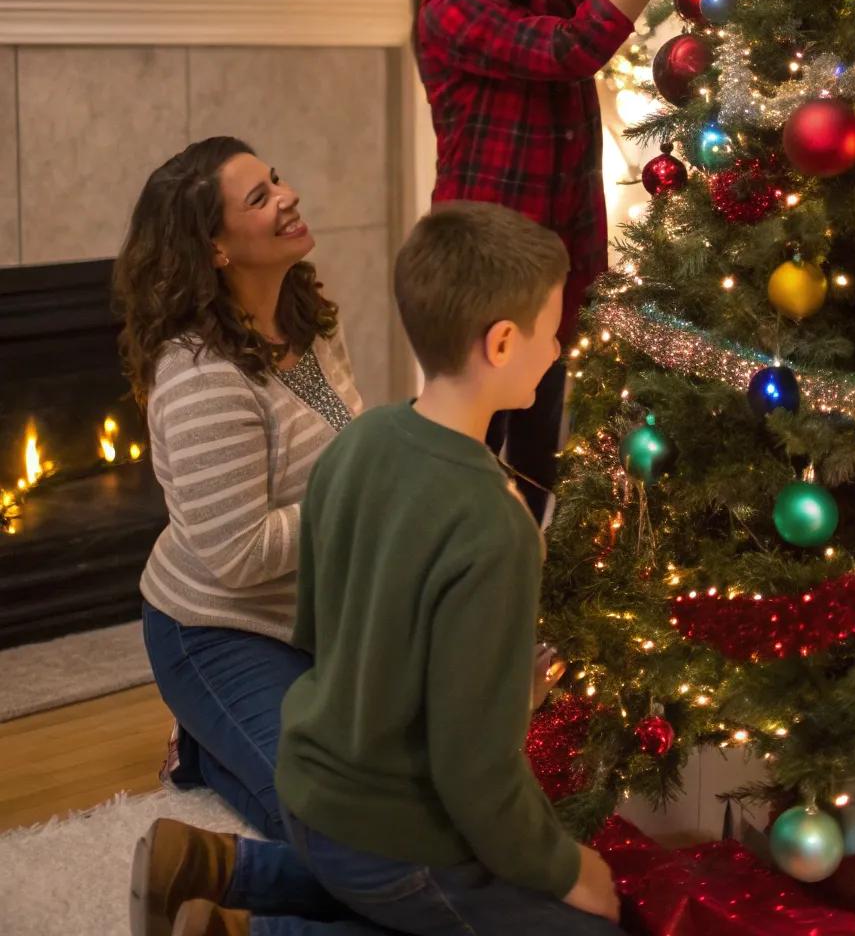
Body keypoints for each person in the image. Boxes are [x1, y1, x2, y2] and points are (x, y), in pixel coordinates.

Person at [129, 201, 622, 936]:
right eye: (554, 332)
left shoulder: (361, 443)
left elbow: (316, 624)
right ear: (503, 342)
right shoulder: (496, 528)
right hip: (388, 834)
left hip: (308, 783)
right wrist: (562, 866)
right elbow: (475, 778)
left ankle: (221, 869)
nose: (559, 350)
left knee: (398, 879)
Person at [409, 0, 767, 523]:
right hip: (481, 289)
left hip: (555, 285)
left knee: (538, 466)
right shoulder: (451, 11)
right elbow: (574, 48)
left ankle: (527, 613)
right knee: (470, 479)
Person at [115, 137, 362, 850]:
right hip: (219, 630)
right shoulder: (199, 374)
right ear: (216, 249)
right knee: (334, 823)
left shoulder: (310, 317)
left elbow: (343, 449)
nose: (287, 196)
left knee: (410, 784)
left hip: (310, 619)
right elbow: (238, 553)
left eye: (276, 179)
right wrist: (363, 496)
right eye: (258, 198)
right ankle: (201, 744)